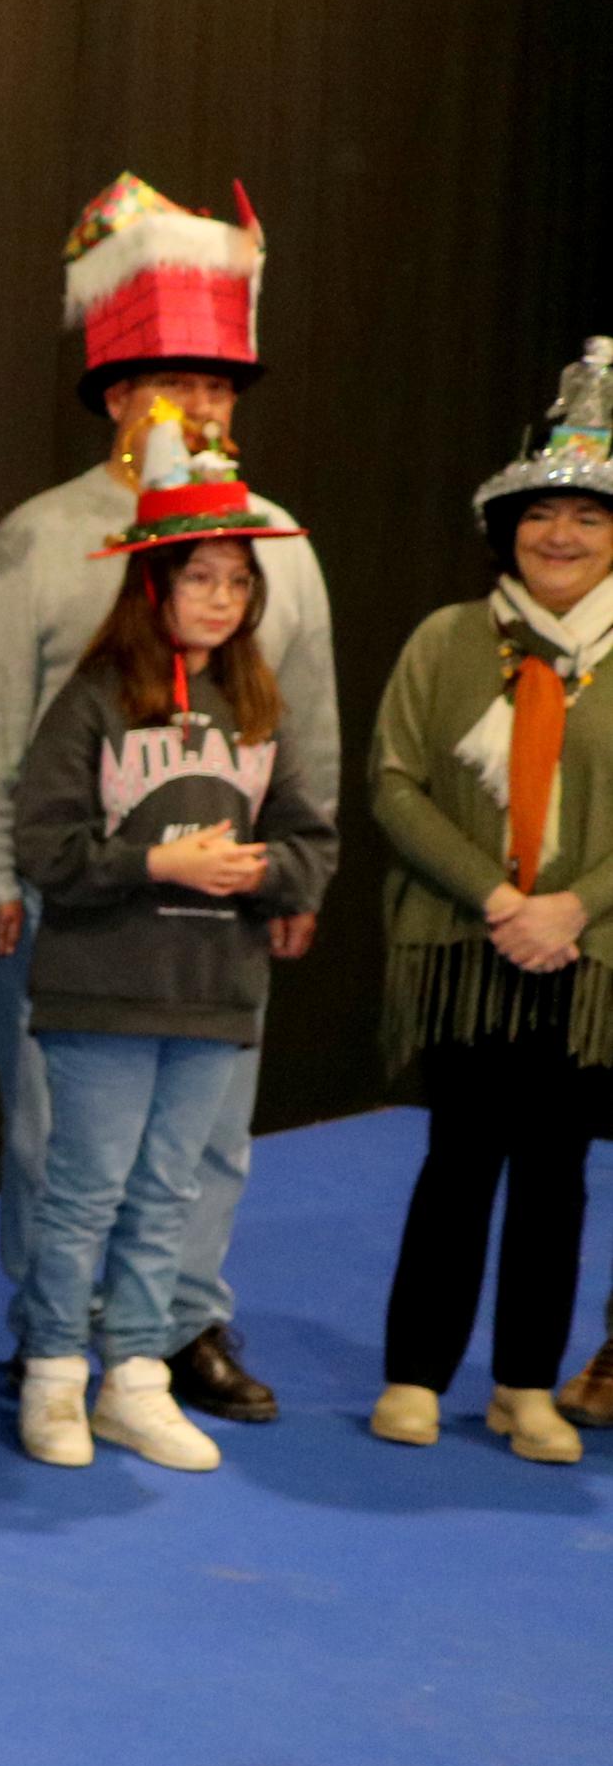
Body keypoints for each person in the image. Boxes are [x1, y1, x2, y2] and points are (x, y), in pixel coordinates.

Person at [0, 175, 335, 1429]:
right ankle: (53, 1332)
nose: (206, 408)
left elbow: (303, 726)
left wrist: (296, 877)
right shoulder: (42, 538)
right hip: (79, 899)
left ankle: (170, 1326)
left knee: (205, 1127)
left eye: (220, 386)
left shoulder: (273, 538)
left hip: (219, 904)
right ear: (118, 394)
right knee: (61, 1133)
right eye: (181, 384)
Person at [7, 422, 338, 1472]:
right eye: (199, 577)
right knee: (83, 1188)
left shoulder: (254, 705)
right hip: (102, 993)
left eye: (237, 583)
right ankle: (55, 1372)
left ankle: (135, 1376)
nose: (220, 599)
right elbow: (43, 847)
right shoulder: (92, 699)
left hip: (211, 993)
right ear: (152, 582)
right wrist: (156, 865)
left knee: (168, 1194)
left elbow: (306, 840)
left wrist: (259, 873)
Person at [371, 341, 613, 1459]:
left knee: (556, 1172)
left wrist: (571, 909)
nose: (556, 535)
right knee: (458, 1156)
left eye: (584, 517)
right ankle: (413, 1375)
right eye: (538, 513)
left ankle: (522, 1383)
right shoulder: (443, 640)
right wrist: (498, 898)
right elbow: (393, 784)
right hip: (466, 944)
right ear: (503, 524)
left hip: (586, 960)